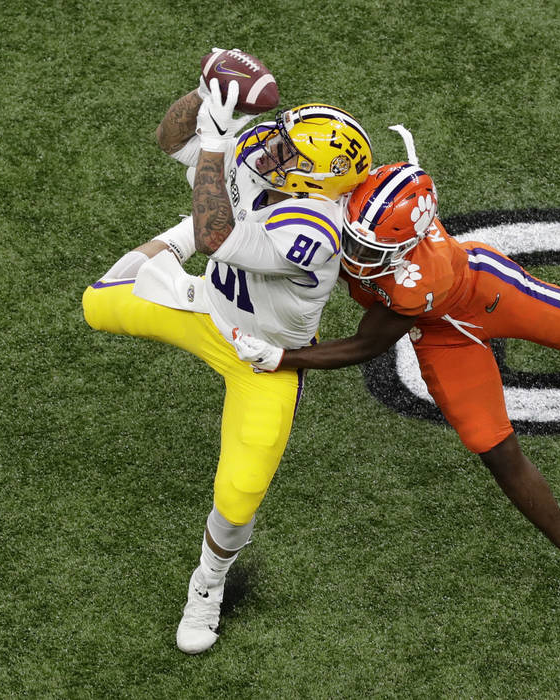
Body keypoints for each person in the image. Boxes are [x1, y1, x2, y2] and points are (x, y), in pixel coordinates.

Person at [233, 140, 560, 628]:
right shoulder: (348, 207)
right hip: (438, 332)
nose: (353, 255)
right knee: (491, 444)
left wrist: (283, 358)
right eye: (353, 241)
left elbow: (365, 346)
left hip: (484, 295)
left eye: (369, 250)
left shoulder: (418, 281)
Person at [82, 68, 372, 653]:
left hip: (263, 359)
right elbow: (170, 140)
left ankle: (207, 586)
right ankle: (174, 240)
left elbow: (218, 236)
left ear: (316, 181)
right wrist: (206, 91)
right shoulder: (278, 168)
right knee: (96, 302)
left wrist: (216, 148)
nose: (272, 147)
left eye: (288, 149)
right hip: (209, 310)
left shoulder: (317, 228)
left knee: (240, 491)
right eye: (283, 135)